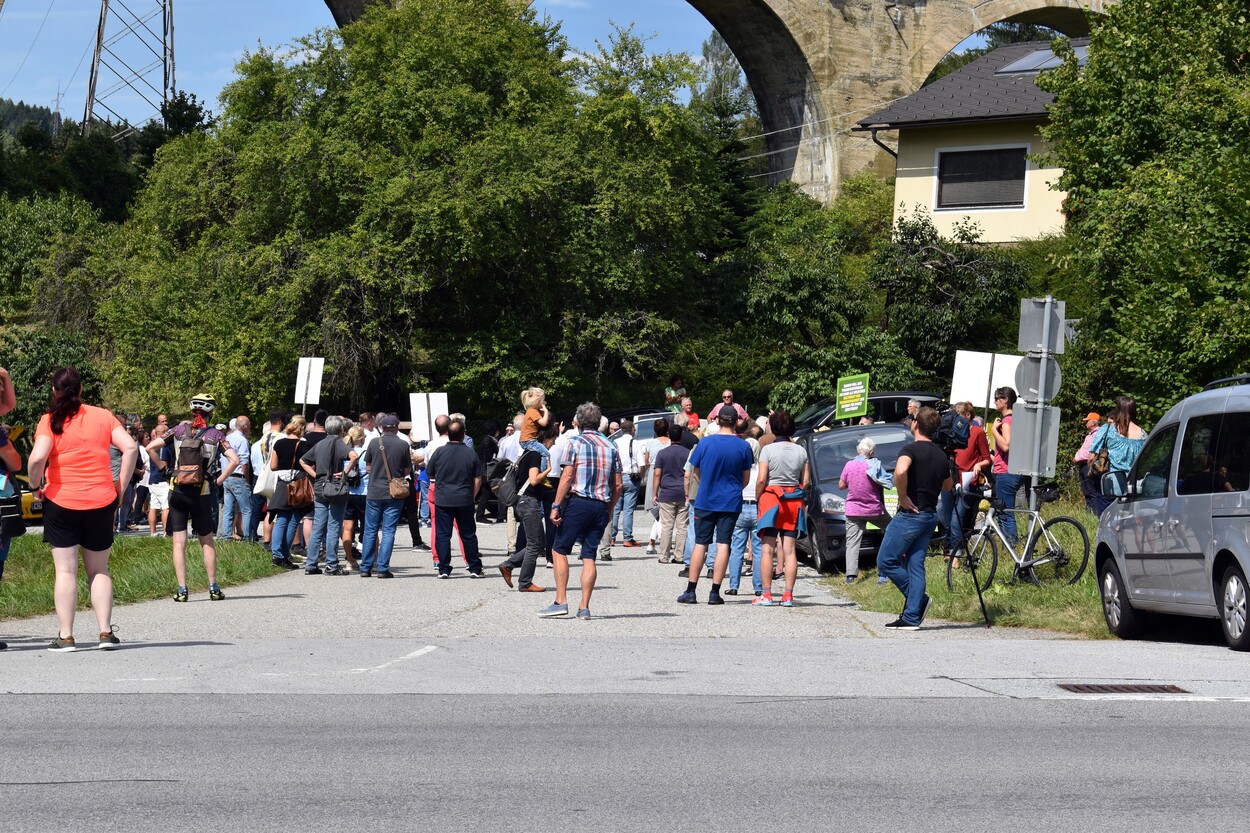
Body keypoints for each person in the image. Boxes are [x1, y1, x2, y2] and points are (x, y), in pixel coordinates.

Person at [25, 367, 137, 651]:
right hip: (101, 499)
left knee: (65, 571)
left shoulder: (50, 420)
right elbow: (131, 448)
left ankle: (66, 637)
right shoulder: (103, 416)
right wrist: (121, 487)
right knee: (99, 569)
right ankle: (105, 633)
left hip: (61, 501)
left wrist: (35, 486)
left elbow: (37, 458)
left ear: (54, 391)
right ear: (81, 389)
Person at [147, 393, 240, 602]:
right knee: (207, 542)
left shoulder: (178, 430)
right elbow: (234, 460)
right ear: (211, 413)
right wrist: (219, 480)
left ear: (192, 412)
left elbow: (150, 448)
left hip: (177, 490)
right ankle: (213, 588)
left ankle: (182, 590)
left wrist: (163, 467)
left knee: (179, 543)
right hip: (202, 492)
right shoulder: (216, 435)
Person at [540, 402, 621, 620]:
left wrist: (556, 506)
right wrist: (609, 508)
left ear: (578, 422)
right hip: (600, 504)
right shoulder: (611, 446)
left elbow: (567, 476)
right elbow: (618, 484)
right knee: (589, 555)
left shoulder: (574, 442)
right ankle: (584, 607)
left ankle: (560, 601)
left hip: (579, 501)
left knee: (559, 549)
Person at [878, 407, 953, 630]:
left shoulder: (909, 449)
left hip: (910, 515)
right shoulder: (940, 455)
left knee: (886, 561)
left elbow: (900, 471)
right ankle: (911, 617)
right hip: (929, 516)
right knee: (915, 565)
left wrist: (902, 496)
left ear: (916, 424)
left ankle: (918, 601)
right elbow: (948, 486)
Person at [677, 407, 753, 606]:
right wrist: (732, 490)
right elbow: (745, 479)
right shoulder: (743, 446)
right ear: (736, 421)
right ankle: (714, 592)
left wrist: (707, 484)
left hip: (706, 499)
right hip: (730, 501)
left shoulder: (704, 443)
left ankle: (691, 591)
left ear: (717, 420)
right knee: (723, 543)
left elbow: (695, 471)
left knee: (701, 543)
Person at [753, 411, 810, 607]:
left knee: (767, 548)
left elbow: (762, 479)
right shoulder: (801, 451)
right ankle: (788, 595)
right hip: (793, 501)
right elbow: (806, 481)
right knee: (790, 550)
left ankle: (766, 594)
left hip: (771, 500)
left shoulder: (767, 450)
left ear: (773, 428)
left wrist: (757, 496)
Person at [498, 423, 558, 592]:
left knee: (536, 544)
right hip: (528, 502)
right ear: (546, 438)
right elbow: (533, 480)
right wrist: (548, 470)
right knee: (534, 544)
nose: (553, 444)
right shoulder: (535, 455)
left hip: (524, 501)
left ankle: (509, 566)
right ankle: (524, 581)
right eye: (553, 440)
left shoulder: (525, 454)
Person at [427, 417, 485, 578]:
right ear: (463, 434)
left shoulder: (439, 452)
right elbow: (478, 478)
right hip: (464, 498)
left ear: (448, 434)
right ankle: (474, 568)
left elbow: (430, 473)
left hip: (443, 498)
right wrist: (472, 495)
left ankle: (443, 568)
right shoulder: (470, 452)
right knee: (468, 534)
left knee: (443, 535)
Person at [359, 414, 413, 578]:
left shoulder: (374, 442)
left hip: (374, 491)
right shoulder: (403, 444)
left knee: (370, 530)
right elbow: (407, 470)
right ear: (396, 427)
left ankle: (365, 567)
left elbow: (368, 468)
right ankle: (382, 568)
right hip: (394, 493)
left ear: (381, 428)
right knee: (389, 531)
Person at [299, 414, 353, 575]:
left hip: (320, 487)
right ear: (341, 430)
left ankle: (311, 564)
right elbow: (354, 456)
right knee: (334, 526)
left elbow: (303, 461)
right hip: (335, 488)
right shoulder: (339, 443)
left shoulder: (320, 444)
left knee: (318, 526)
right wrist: (344, 473)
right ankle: (332, 564)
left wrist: (315, 475)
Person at [839, 436, 892, 584]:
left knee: (852, 542)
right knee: (892, 528)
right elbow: (885, 482)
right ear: (872, 452)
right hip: (873, 509)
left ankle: (850, 576)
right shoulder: (874, 465)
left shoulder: (849, 465)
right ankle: (889, 564)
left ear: (858, 450)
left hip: (853, 510)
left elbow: (841, 485)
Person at [1089, 397, 1148, 516]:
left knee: (1106, 519)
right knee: (1128, 519)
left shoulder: (1108, 429)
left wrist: (1091, 469)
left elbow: (1091, 456)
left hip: (1111, 485)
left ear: (1118, 409)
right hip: (1134, 486)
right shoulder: (1143, 434)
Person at [727, 418, 763, 597]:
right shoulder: (762, 470)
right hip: (757, 508)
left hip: (741, 507)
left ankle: (734, 585)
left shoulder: (740, 469)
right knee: (758, 550)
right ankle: (758, 587)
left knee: (737, 548)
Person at [266, 416, 308, 570]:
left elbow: (273, 466)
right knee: (294, 520)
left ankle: (276, 554)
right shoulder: (304, 445)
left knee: (281, 519)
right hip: (299, 483)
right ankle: (285, 554)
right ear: (302, 428)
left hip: (282, 483)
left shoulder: (278, 443)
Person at [989, 386, 1023, 545]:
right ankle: (1008, 546)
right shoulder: (1017, 419)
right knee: (1003, 512)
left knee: (1005, 513)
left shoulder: (1007, 421)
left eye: (998, 398)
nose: (995, 401)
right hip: (1014, 470)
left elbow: (1006, 446)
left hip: (1006, 471)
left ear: (1006, 400)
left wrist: (994, 431)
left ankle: (1011, 547)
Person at [652, 421, 690, 564]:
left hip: (667, 492)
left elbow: (657, 474)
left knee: (667, 526)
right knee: (682, 526)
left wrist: (655, 493)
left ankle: (664, 556)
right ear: (681, 437)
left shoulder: (662, 454)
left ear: (669, 436)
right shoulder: (688, 453)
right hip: (683, 492)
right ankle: (679, 556)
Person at [606, 419, 643, 552]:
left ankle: (612, 537)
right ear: (632, 430)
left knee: (615, 508)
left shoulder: (615, 443)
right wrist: (640, 476)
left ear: (621, 430)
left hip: (617, 476)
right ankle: (627, 538)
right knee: (628, 509)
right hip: (631, 477)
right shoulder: (636, 443)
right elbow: (641, 464)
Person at [219, 415, 253, 542]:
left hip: (226, 477)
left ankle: (226, 536)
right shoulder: (242, 440)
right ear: (244, 427)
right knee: (247, 510)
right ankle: (248, 538)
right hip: (238, 477)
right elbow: (244, 463)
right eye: (249, 425)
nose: (250, 428)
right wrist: (247, 479)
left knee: (228, 509)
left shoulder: (227, 438)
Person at [341, 424, 369, 572]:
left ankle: (349, 559)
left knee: (348, 528)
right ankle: (371, 560)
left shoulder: (345, 453)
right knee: (369, 527)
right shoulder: (366, 453)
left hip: (348, 493)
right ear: (362, 438)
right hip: (365, 492)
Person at [1073, 411, 1104, 513]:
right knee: (1086, 489)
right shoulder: (1089, 435)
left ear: (1093, 422)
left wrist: (1078, 458)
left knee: (1091, 490)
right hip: (1083, 464)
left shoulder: (1097, 434)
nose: (1086, 423)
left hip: (1089, 464)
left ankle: (1094, 511)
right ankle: (1089, 510)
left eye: (1088, 421)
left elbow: (1091, 452)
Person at [146, 422, 173, 536]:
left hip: (152, 479)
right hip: (162, 480)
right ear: (163, 433)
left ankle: (153, 533)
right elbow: (163, 463)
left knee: (153, 506)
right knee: (166, 507)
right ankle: (166, 532)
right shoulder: (162, 447)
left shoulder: (152, 445)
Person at [519, 387, 551, 466]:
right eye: (542, 400)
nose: (544, 402)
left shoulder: (531, 411)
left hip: (527, 440)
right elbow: (544, 423)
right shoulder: (533, 411)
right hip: (529, 441)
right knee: (546, 454)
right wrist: (546, 411)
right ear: (537, 401)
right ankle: (542, 471)